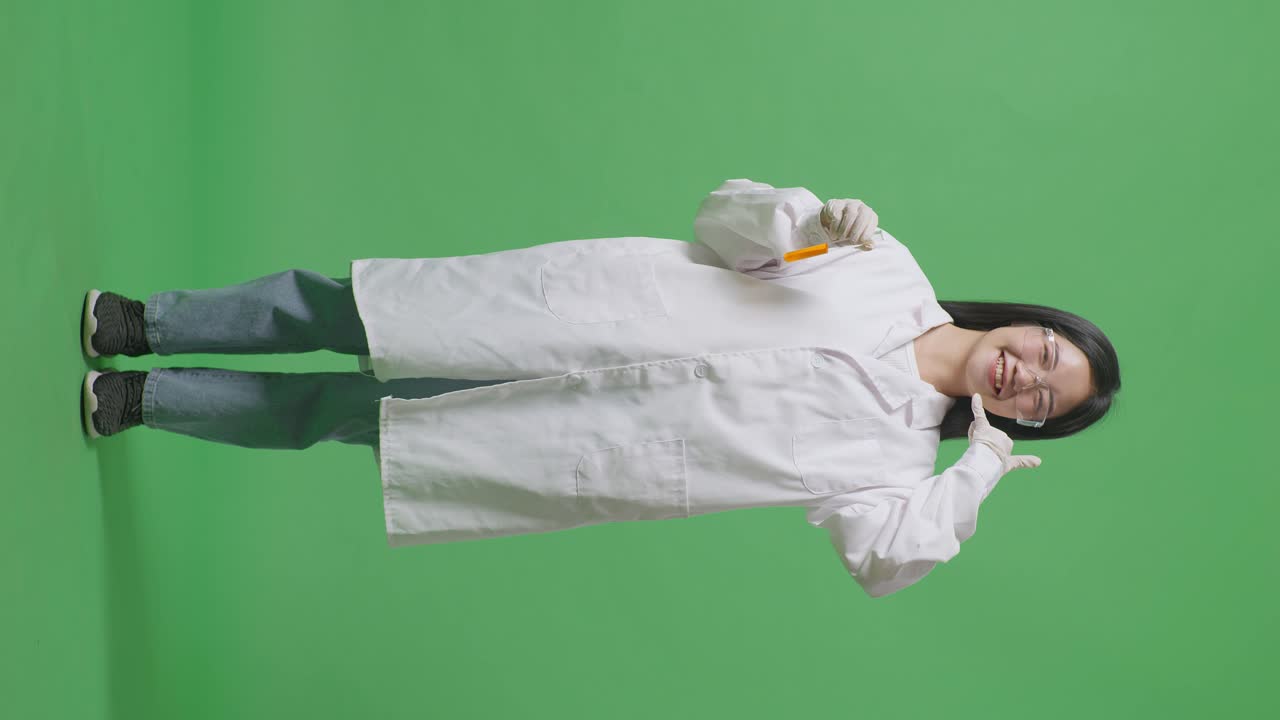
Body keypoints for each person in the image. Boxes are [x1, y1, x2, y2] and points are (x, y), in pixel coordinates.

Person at [79, 178, 1121, 597]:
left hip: (586, 433)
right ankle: (145, 324)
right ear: (1024, 321)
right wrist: (803, 223)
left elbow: (884, 563)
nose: (1024, 375)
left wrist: (976, 471)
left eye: (1042, 399)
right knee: (342, 310)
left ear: (1030, 422)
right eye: (1043, 351)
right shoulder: (881, 266)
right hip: (580, 314)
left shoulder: (895, 463)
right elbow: (722, 222)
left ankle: (145, 402)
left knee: (346, 416)